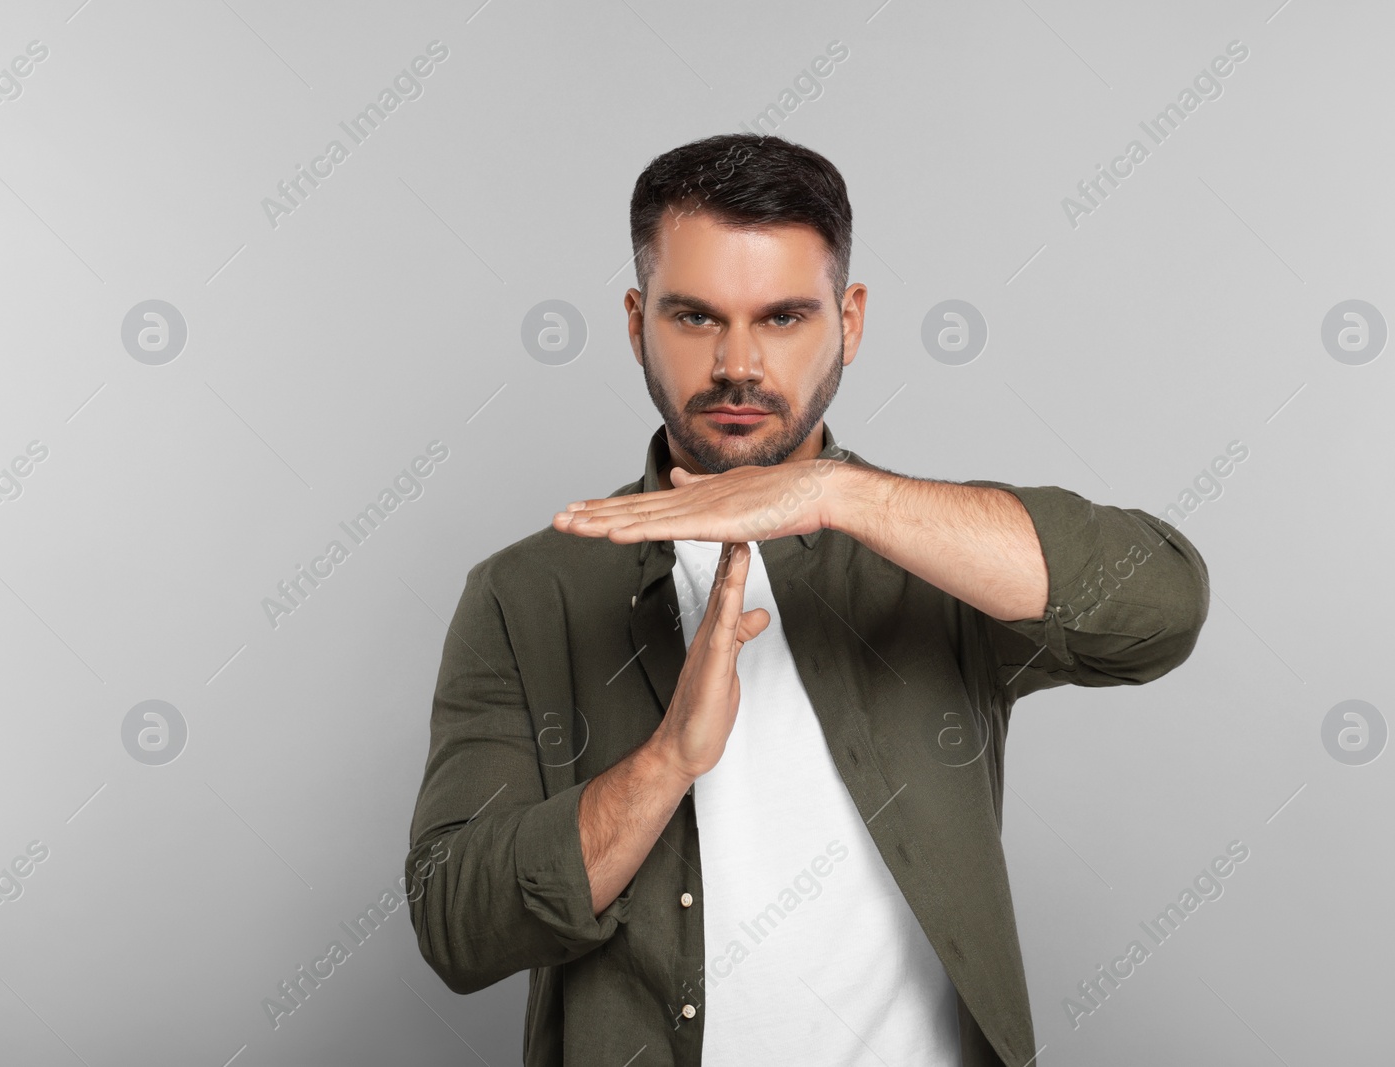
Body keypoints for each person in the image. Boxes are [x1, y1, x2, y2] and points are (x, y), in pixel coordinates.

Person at [406, 132, 1210, 1066]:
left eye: (784, 318)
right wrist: (667, 761)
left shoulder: (930, 556)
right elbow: (456, 922)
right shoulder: (526, 592)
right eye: (696, 318)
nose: (738, 365)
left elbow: (1162, 603)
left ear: (851, 322)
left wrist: (835, 493)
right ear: (636, 324)